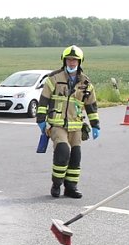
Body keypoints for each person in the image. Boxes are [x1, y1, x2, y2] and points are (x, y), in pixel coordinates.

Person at [35, 45, 100, 199]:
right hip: (58, 125)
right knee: (63, 152)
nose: (72, 62)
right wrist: (41, 120)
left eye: (75, 59)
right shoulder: (54, 79)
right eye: (69, 59)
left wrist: (95, 124)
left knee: (75, 156)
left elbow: (91, 105)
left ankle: (71, 187)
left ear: (80, 61)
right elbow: (43, 100)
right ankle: (56, 184)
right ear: (64, 61)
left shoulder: (85, 83)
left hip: (76, 126)